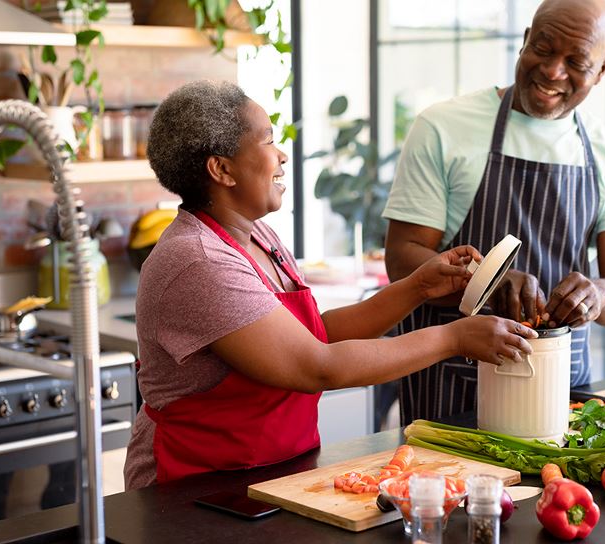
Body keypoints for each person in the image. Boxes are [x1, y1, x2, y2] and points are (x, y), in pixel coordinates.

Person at [123, 80, 536, 489]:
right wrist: (454, 339)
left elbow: (313, 335)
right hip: (194, 486)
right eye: (268, 141)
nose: (281, 156)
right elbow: (316, 366)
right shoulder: (200, 260)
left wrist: (416, 288)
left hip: (271, 469)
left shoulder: (258, 236)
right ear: (222, 169)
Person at [383, 0, 605, 425]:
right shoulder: (443, 127)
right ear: (525, 41)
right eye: (543, 49)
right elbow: (402, 257)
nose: (553, 71)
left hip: (561, 389)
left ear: (602, 71)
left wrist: (598, 295)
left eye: (576, 61)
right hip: (451, 390)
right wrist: (488, 278)